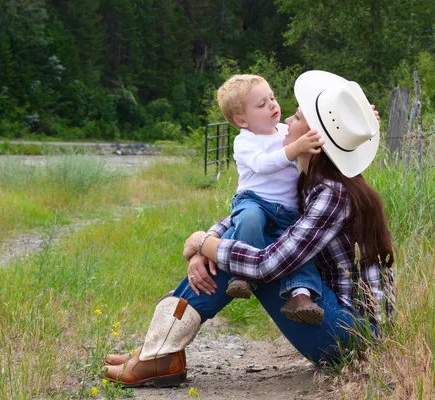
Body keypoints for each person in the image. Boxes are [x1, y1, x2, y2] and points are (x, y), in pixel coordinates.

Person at [103, 70, 394, 389]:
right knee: (245, 244)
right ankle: (158, 350)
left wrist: (204, 245)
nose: (286, 120)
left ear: (313, 139)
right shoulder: (311, 183)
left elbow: (267, 264)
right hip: (339, 324)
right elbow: (258, 210)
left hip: (353, 338)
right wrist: (211, 239)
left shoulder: (332, 195)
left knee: (251, 257)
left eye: (296, 116)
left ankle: (160, 352)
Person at [216, 74, 325, 324]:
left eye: (272, 98)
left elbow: (320, 131)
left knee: (299, 247)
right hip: (255, 200)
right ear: (242, 119)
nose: (273, 105)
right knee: (249, 220)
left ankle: (301, 294)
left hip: (287, 209)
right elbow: (263, 164)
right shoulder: (245, 141)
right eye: (262, 104)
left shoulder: (287, 131)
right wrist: (295, 148)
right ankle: (243, 275)